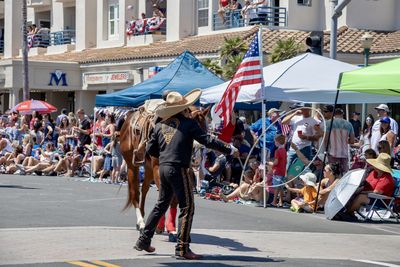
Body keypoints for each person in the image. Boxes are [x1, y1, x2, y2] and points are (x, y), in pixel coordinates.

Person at [134, 89, 239, 260]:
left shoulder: (160, 125)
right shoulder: (188, 124)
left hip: (163, 167)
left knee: (161, 204)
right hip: (178, 168)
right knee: (187, 206)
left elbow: (151, 149)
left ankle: (143, 240)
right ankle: (182, 248)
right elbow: (207, 139)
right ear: (183, 108)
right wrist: (229, 148)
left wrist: (167, 152)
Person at [346, 153, 395, 219]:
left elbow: (376, 192)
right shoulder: (373, 172)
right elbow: (365, 183)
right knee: (351, 192)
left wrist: (361, 192)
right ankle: (348, 212)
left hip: (380, 200)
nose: (374, 166)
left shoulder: (386, 178)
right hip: (369, 195)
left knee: (360, 197)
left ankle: (347, 213)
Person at [282, 103, 322, 170]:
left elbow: (317, 137)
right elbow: (283, 122)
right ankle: (287, 179)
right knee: (288, 167)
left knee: (305, 168)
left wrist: (306, 137)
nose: (301, 109)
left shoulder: (313, 121)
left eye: (303, 108)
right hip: (294, 147)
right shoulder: (296, 118)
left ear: (308, 109)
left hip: (305, 148)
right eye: (300, 108)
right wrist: (294, 113)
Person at [325, 108, 355, 175]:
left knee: (334, 173)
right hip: (344, 153)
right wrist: (345, 140)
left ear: (334, 114)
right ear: (342, 114)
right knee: (344, 174)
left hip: (333, 152)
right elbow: (352, 141)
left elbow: (326, 139)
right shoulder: (349, 124)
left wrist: (325, 150)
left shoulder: (329, 123)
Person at [268, 134, 287, 207]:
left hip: (278, 171)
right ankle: (281, 201)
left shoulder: (278, 151)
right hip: (283, 171)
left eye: (275, 141)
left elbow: (276, 162)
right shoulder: (284, 150)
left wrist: (270, 163)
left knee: (276, 187)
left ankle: (274, 201)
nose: (274, 143)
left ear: (278, 142)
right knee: (281, 187)